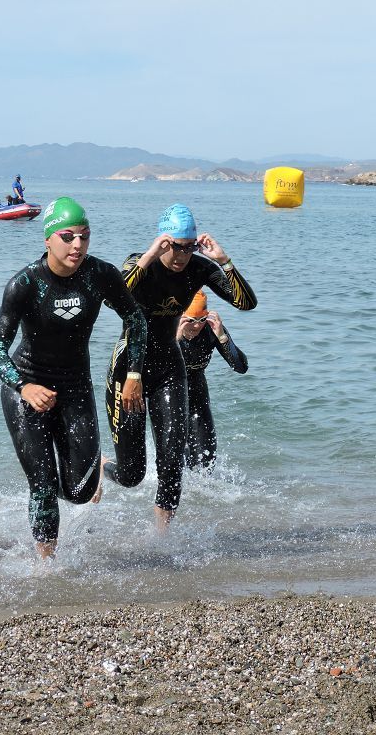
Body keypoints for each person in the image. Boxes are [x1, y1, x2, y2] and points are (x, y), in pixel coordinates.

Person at [0, 197, 147, 559]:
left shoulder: (100, 275)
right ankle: (46, 565)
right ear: (48, 240)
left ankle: (97, 467)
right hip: (26, 388)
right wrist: (24, 387)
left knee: (77, 492)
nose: (77, 245)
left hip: (74, 387)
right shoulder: (24, 285)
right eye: (68, 236)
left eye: (84, 237)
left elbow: (135, 319)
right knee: (42, 483)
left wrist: (133, 372)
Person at [102, 203, 257, 531]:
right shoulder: (138, 264)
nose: (183, 255)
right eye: (176, 247)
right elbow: (112, 297)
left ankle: (162, 539)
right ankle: (102, 467)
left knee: (172, 462)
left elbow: (246, 302)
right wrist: (149, 256)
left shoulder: (199, 269)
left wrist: (224, 260)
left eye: (189, 248)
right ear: (163, 241)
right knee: (132, 475)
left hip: (170, 369)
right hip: (129, 369)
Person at [176, 291, 249, 470]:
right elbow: (153, 367)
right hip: (168, 396)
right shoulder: (168, 328)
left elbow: (240, 367)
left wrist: (222, 336)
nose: (196, 326)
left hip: (198, 396)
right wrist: (175, 340)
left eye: (201, 320)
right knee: (174, 464)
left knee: (205, 463)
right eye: (190, 320)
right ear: (181, 316)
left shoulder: (211, 329)